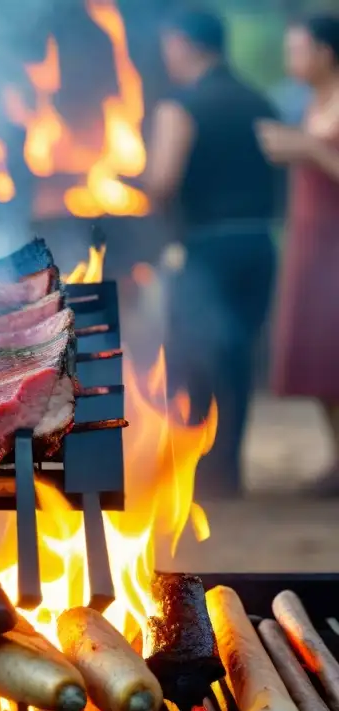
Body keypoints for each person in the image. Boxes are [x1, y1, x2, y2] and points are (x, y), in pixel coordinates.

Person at [147, 10, 280, 499]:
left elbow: (162, 181)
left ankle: (195, 471)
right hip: (258, 244)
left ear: (183, 44)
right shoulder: (260, 101)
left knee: (194, 355)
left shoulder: (181, 106)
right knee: (239, 356)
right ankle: (229, 470)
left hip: (205, 249)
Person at [258, 16, 339, 495]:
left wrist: (308, 147)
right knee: (319, 358)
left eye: (298, 50)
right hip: (313, 242)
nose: (291, 61)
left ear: (326, 52)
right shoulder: (312, 102)